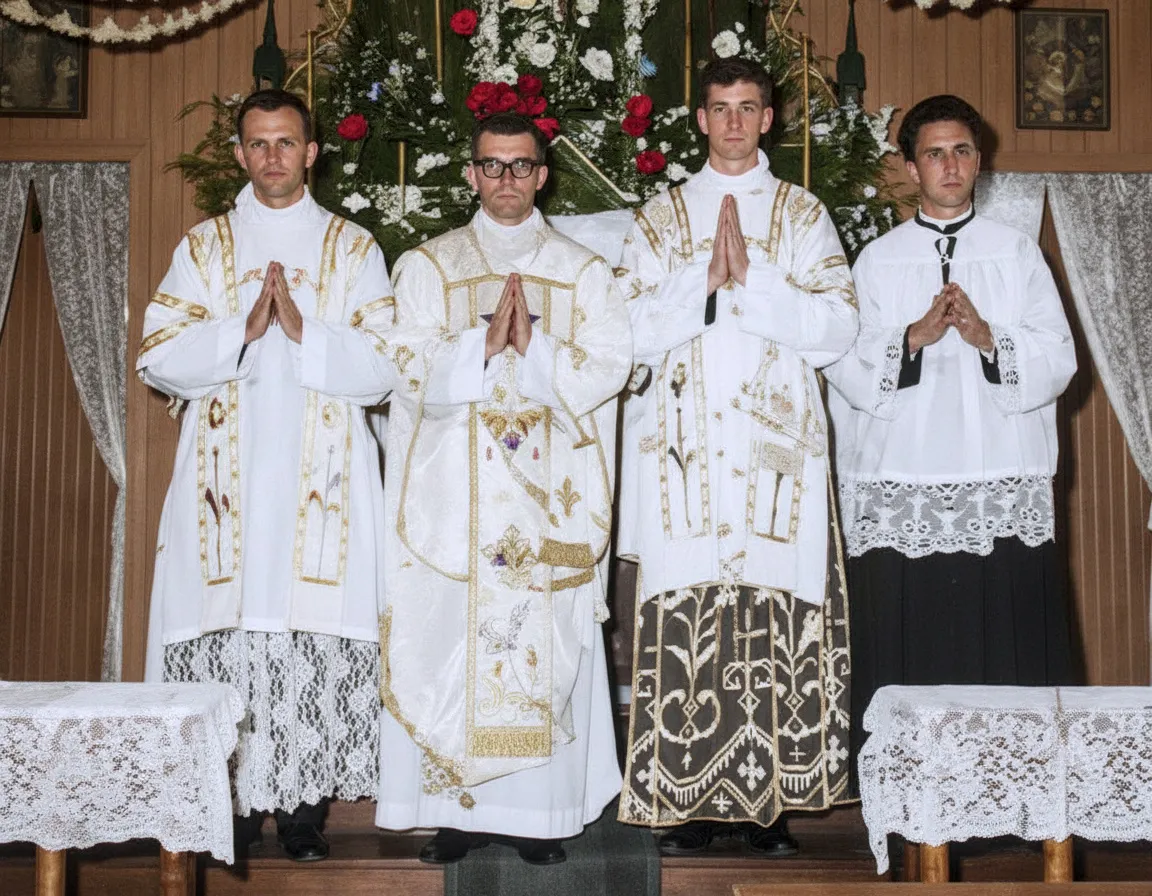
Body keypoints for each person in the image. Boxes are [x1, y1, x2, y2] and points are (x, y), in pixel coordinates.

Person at [137, 88, 398, 862]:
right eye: (258, 144)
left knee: (311, 635)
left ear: (311, 153)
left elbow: (386, 366)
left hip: (328, 490)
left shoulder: (353, 249)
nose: (273, 157)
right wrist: (239, 332)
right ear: (240, 153)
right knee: (236, 637)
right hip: (227, 491)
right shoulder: (205, 247)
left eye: (287, 143)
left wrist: (303, 330)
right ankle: (236, 807)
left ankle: (307, 813)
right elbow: (155, 356)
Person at [614, 57, 858, 857]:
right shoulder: (660, 217)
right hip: (684, 448)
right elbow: (627, 334)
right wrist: (700, 280)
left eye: (747, 108)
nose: (732, 123)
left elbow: (837, 329)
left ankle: (771, 803)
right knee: (689, 610)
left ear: (770, 118)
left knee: (769, 610)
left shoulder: (803, 213)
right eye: (719, 108)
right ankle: (685, 800)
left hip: (771, 450)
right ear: (700, 119)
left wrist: (753, 283)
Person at [375, 112, 632, 866]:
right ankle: (459, 809)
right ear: (470, 173)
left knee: (541, 646)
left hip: (545, 500)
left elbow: (609, 367)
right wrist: (476, 348)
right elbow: (405, 366)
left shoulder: (583, 271)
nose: (506, 181)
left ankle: (539, 818)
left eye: (521, 166)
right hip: (454, 501)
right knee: (450, 641)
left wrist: (538, 348)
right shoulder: (430, 265)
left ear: (543, 174)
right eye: (492, 166)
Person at [824, 94, 1078, 772]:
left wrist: (987, 336)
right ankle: (909, 792)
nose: (950, 165)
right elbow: (843, 363)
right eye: (934, 153)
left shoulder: (1016, 253)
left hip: (997, 477)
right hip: (904, 481)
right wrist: (914, 336)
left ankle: (1013, 791)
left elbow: (1058, 356)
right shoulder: (878, 261)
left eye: (962, 150)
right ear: (909, 166)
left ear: (979, 161)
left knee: (1002, 644)